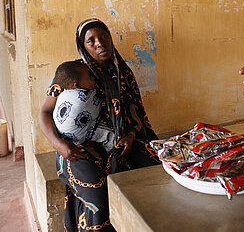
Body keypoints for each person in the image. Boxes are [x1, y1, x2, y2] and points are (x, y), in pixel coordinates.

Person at [39, 18, 160, 232]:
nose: (100, 43)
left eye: (104, 36)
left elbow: (136, 115)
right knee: (96, 190)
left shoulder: (123, 74)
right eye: (91, 40)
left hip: (118, 144)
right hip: (77, 148)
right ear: (82, 46)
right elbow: (45, 112)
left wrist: (130, 136)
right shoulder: (73, 74)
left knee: (157, 167)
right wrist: (59, 145)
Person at [52, 61, 114, 152]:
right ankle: (115, 157)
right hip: (80, 134)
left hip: (62, 132)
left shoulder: (63, 93)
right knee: (110, 136)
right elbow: (100, 105)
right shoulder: (85, 97)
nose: (93, 78)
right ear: (76, 85)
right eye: (90, 77)